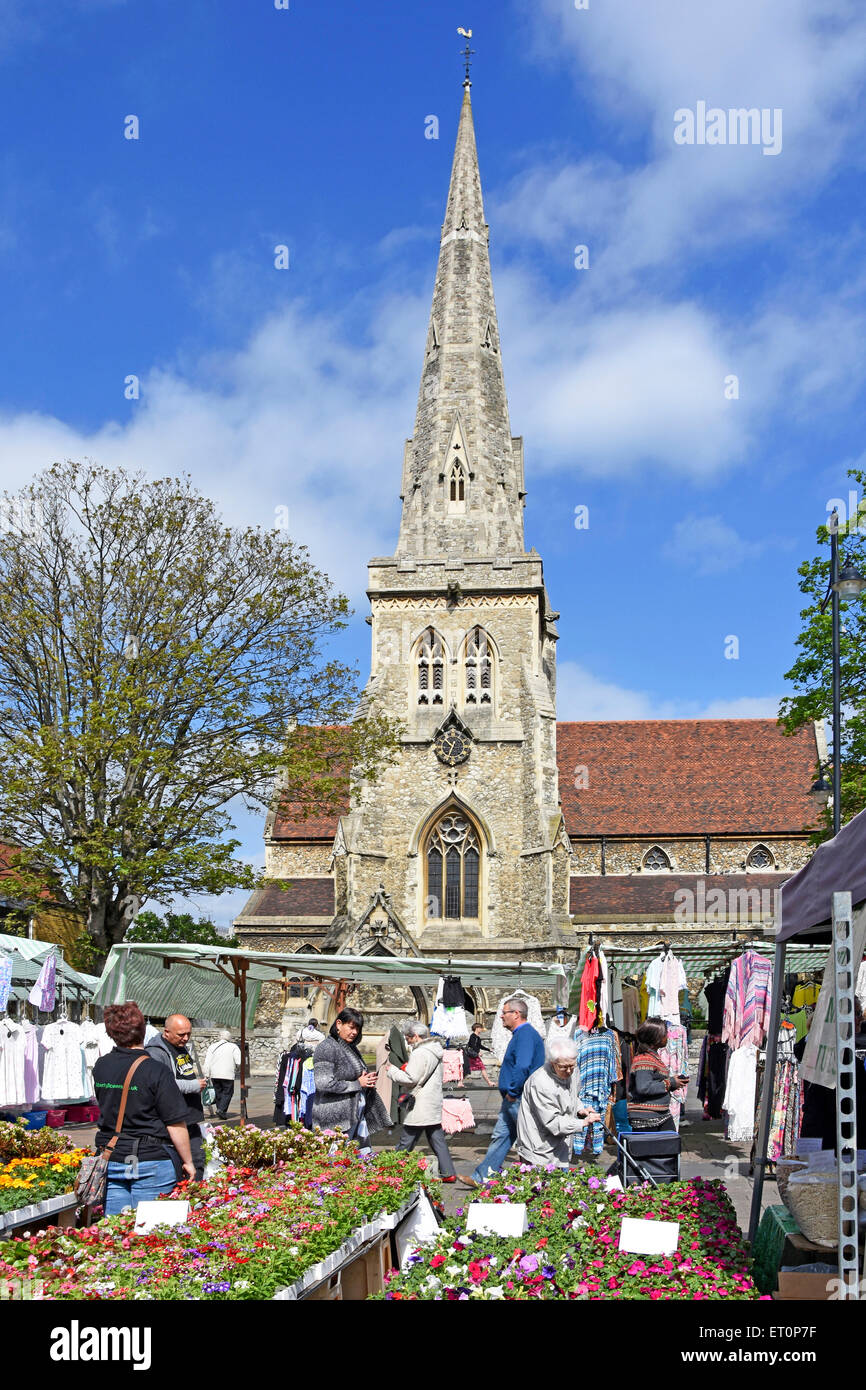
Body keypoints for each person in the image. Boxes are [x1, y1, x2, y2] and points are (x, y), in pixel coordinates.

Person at [93, 1002, 195, 1215]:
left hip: (113, 1156)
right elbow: (175, 1123)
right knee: (150, 1233)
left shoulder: (101, 1066)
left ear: (111, 1032)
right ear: (142, 1030)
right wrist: (188, 1162)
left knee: (115, 1233)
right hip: (151, 1158)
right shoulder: (155, 1070)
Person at [461, 996, 545, 1188]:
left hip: (519, 1097)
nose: (501, 1017)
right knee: (501, 1137)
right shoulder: (522, 1034)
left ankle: (537, 1182)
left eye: (504, 1013)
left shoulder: (525, 1035)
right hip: (513, 1099)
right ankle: (482, 1177)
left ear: (516, 1014)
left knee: (529, 1141)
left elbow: (523, 1066)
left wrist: (513, 1091)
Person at [516, 1036, 602, 1168]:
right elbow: (552, 1122)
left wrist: (580, 1109)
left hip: (561, 1144)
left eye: (572, 1065)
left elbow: (573, 1095)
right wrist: (583, 1122)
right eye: (563, 1067)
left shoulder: (573, 1071)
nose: (569, 1071)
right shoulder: (540, 1082)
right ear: (552, 1063)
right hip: (539, 1147)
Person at [388, 1021, 457, 1182]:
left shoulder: (420, 1053)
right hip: (432, 1101)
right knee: (437, 1138)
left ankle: (392, 1170)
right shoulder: (435, 1050)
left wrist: (392, 1071)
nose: (408, 1041)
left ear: (416, 1036)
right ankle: (448, 1171)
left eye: (408, 1038)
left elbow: (411, 1079)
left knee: (407, 1140)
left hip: (420, 1103)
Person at [311, 1007, 391, 1145]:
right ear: (339, 1024)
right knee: (337, 1160)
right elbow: (323, 1083)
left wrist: (365, 1077)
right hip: (335, 1119)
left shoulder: (349, 1047)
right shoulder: (327, 1048)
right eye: (351, 1027)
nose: (355, 1032)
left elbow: (352, 1074)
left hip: (354, 1115)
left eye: (357, 1029)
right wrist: (358, 1083)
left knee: (360, 1158)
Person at [146, 1014, 209, 1178]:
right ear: (166, 1032)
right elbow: (162, 1085)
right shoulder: (156, 1053)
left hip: (190, 1118)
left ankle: (196, 1201)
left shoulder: (180, 1047)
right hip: (175, 1121)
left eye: (189, 1033)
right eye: (181, 1034)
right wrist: (193, 1085)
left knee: (198, 1162)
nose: (186, 1038)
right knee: (184, 1167)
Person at [626, 1017, 688, 1133]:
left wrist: (674, 1083)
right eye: (665, 1034)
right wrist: (671, 1083)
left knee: (671, 1145)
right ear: (656, 1038)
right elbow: (644, 1087)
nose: (668, 1037)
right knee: (657, 1149)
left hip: (660, 1114)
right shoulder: (644, 1059)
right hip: (647, 1117)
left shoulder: (652, 1057)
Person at [203, 1028, 242, 1121]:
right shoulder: (233, 1047)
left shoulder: (212, 1046)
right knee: (228, 1092)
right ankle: (221, 1110)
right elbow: (238, 1061)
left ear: (219, 1037)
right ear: (229, 1038)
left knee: (218, 1092)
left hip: (214, 1074)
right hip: (227, 1074)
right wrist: (236, 1068)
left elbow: (207, 1062)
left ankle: (221, 1110)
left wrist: (206, 1074)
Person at [464, 1020, 495, 1087]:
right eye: (480, 1028)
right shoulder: (473, 1036)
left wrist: (488, 1049)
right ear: (477, 1028)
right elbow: (472, 1045)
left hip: (473, 1056)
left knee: (470, 1068)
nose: (481, 1029)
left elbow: (479, 1046)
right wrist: (478, 1052)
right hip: (471, 1055)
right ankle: (489, 1082)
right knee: (480, 1068)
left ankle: (489, 1082)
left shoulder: (477, 1037)